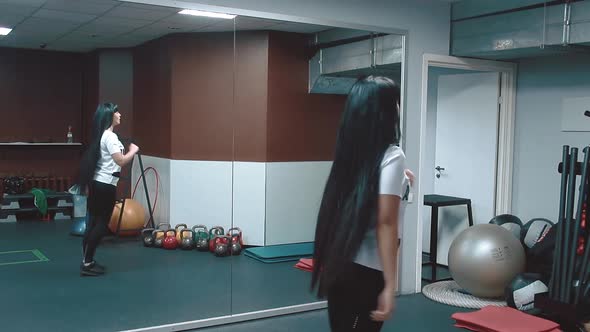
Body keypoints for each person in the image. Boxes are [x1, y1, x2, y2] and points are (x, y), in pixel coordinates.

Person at [311, 76, 411, 331]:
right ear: (386, 110)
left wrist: (405, 183)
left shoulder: (351, 154)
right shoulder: (392, 155)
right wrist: (390, 284)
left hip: (339, 264)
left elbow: (363, 200)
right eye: (395, 102)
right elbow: (386, 223)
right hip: (368, 272)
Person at [76, 102, 139, 276]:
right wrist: (133, 150)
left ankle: (87, 261)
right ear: (109, 115)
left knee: (94, 223)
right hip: (105, 186)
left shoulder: (102, 136)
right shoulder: (110, 137)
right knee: (102, 225)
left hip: (98, 184)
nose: (120, 115)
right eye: (116, 112)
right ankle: (87, 263)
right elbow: (120, 161)